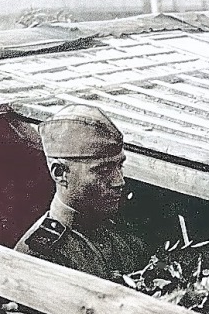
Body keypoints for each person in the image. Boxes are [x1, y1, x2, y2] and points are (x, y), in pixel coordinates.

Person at [14, 104, 148, 279]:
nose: (119, 181)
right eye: (103, 170)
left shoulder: (118, 232)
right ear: (60, 173)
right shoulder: (42, 255)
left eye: (119, 166)